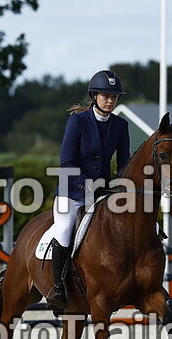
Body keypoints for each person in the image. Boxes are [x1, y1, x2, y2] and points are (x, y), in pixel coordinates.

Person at [47, 69, 131, 311]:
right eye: (106, 95)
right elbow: (66, 163)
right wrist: (88, 184)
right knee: (63, 230)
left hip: (103, 193)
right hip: (71, 191)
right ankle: (58, 288)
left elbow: (124, 163)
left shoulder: (120, 125)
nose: (110, 100)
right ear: (94, 96)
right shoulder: (78, 121)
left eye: (114, 97)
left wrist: (124, 186)